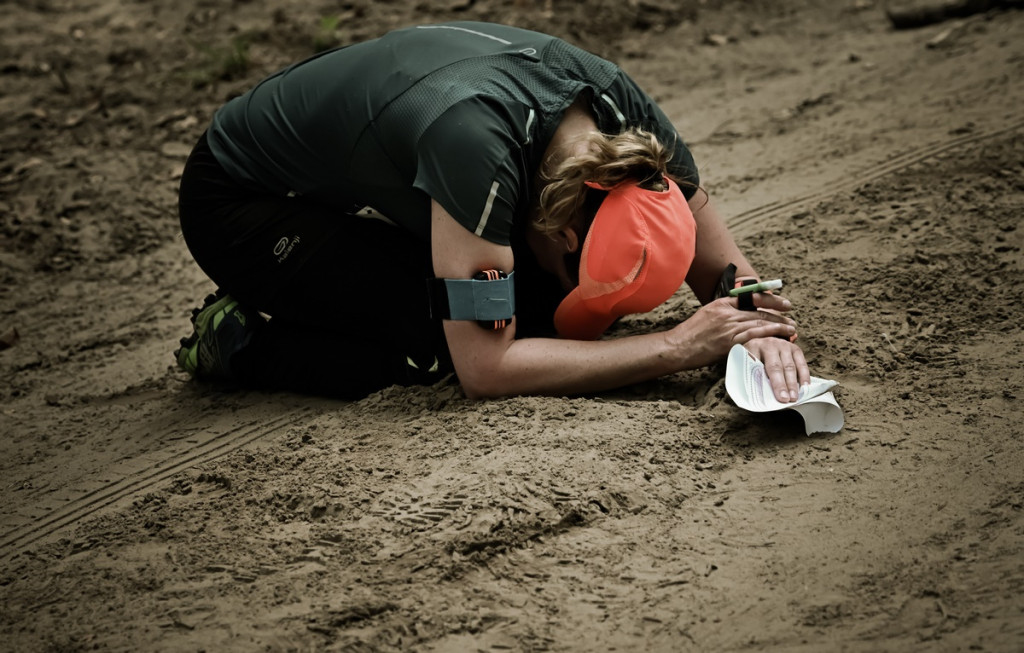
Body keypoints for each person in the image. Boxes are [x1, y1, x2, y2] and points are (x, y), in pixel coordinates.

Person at [174, 21, 809, 402]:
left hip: (365, 163)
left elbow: (725, 271)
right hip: (243, 203)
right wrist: (672, 346)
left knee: (527, 309)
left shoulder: (628, 129)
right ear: (559, 230)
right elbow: (488, 368)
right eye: (582, 281)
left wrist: (757, 325)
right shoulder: (475, 151)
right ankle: (242, 342)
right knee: (449, 346)